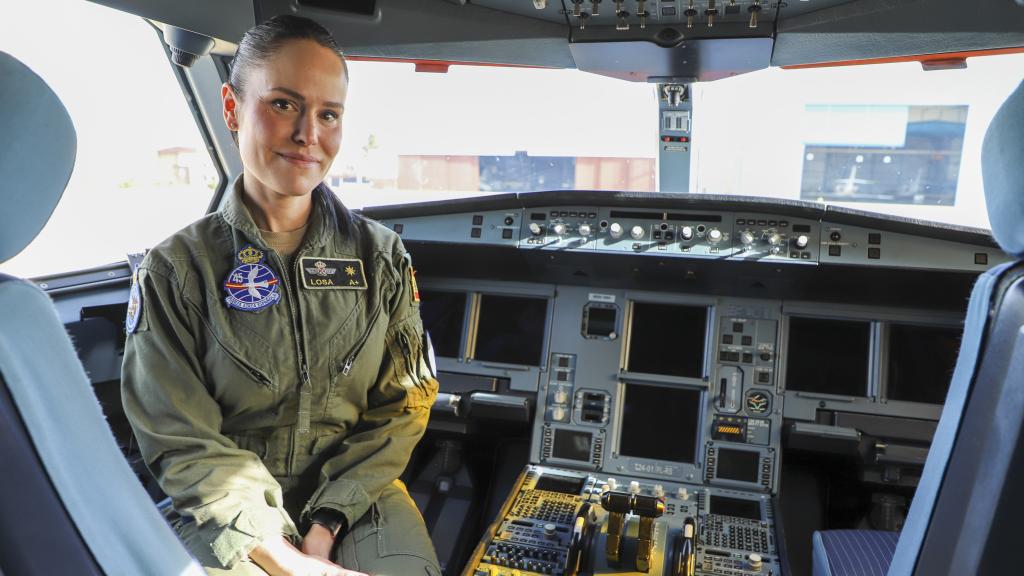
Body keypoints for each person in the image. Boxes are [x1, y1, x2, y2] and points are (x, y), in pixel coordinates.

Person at [121, 15, 440, 576]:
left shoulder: (381, 256)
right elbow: (181, 438)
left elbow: (403, 405)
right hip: (222, 505)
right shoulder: (176, 269)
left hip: (357, 491)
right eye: (283, 105)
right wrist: (284, 558)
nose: (308, 135)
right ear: (231, 107)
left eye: (329, 114)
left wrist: (328, 523)